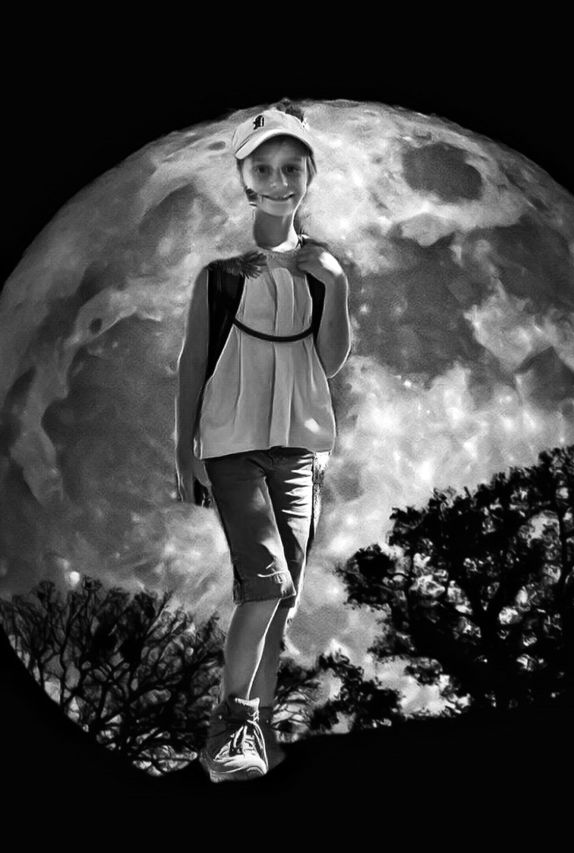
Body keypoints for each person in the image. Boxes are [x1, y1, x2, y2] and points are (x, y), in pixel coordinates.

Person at [174, 101, 352, 783]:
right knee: (265, 582)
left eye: (291, 169)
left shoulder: (321, 266)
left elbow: (330, 360)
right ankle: (228, 732)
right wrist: (184, 450)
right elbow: (193, 363)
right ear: (245, 179)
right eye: (265, 170)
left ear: (309, 176)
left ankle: (263, 731)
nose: (279, 182)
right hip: (232, 445)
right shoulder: (221, 273)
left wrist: (334, 285)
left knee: (285, 597)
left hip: (300, 449)